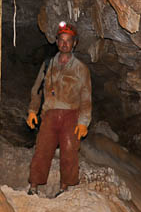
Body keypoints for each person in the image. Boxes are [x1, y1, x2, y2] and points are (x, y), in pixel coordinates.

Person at [25, 21, 92, 197]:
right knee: (42, 150)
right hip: (49, 114)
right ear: (56, 41)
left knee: (69, 152)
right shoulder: (48, 65)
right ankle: (33, 186)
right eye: (61, 39)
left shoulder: (81, 69)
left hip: (71, 114)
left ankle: (64, 188)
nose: (64, 43)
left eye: (68, 40)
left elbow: (86, 97)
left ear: (74, 43)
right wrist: (32, 111)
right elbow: (37, 89)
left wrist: (84, 122)